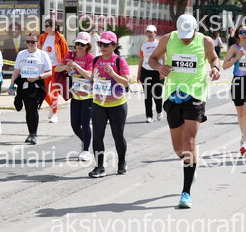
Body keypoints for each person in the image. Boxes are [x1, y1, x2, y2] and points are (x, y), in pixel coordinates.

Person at [148, 14, 221, 209]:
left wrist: (215, 68)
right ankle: (191, 162)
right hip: (172, 95)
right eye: (182, 35)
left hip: (195, 95)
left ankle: (186, 193)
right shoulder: (168, 39)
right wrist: (159, 68)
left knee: (189, 142)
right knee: (178, 148)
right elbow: (152, 59)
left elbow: (214, 58)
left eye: (188, 36)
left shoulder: (205, 41)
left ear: (195, 29)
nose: (185, 39)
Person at [88, 31, 131, 178]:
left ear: (114, 45)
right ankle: (99, 167)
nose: (102, 47)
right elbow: (93, 79)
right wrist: (90, 82)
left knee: (118, 135)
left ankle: (122, 163)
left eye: (106, 44)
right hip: (98, 103)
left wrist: (113, 74)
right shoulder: (96, 60)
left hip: (117, 104)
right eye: (101, 44)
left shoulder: (119, 61)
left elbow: (126, 82)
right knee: (97, 136)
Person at [56, 32, 94, 161]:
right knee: (74, 125)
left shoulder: (90, 58)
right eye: (77, 43)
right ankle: (86, 141)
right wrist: (66, 67)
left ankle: (86, 150)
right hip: (76, 95)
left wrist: (76, 65)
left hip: (88, 96)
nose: (79, 46)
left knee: (85, 123)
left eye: (82, 44)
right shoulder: (71, 55)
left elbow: (89, 75)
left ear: (87, 45)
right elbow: (57, 69)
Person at [8, 32, 52, 145]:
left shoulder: (43, 54)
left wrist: (37, 77)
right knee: (28, 110)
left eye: (33, 41)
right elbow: (16, 70)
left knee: (33, 108)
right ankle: (30, 133)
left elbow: (49, 72)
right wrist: (12, 85)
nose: (30, 44)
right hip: (24, 85)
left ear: (38, 42)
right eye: (28, 42)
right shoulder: (21, 54)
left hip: (36, 86)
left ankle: (34, 134)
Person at [223, 25, 246, 156]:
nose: (245, 34)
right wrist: (237, 58)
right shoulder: (234, 48)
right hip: (238, 81)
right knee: (240, 116)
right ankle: (244, 136)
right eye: (242, 32)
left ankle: (245, 143)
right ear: (238, 34)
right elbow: (224, 66)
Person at [38, 19, 69, 123]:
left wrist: (64, 66)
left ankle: (55, 114)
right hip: (44, 68)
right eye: (45, 25)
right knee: (42, 91)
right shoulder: (42, 37)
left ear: (53, 27)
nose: (45, 28)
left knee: (54, 91)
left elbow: (66, 53)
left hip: (56, 67)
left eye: (47, 26)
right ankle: (52, 106)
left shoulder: (60, 37)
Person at [138, 25, 165, 123]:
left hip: (157, 71)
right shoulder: (143, 45)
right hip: (146, 71)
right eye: (147, 32)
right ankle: (149, 116)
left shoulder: (160, 43)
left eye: (151, 32)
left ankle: (159, 111)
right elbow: (141, 59)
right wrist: (139, 73)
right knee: (147, 95)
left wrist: (163, 71)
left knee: (157, 94)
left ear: (155, 33)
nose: (149, 34)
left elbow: (164, 57)